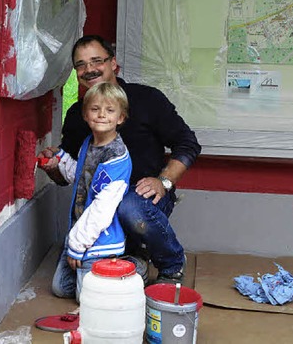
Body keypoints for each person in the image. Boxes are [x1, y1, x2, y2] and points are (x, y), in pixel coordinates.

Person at [39, 35, 201, 284]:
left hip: (142, 201)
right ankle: (132, 262)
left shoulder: (148, 99)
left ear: (114, 63)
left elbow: (188, 144)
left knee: (129, 206)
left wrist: (164, 182)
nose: (89, 69)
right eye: (80, 64)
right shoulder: (77, 115)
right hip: (97, 205)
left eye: (96, 61)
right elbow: (70, 174)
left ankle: (172, 263)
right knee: (63, 285)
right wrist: (54, 166)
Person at [48, 82, 132, 302]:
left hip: (100, 241)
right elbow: (83, 176)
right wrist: (61, 160)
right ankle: (97, 271)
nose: (102, 115)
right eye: (95, 109)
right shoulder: (89, 143)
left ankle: (131, 267)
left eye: (110, 110)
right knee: (60, 288)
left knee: (86, 300)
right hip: (79, 231)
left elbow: (101, 210)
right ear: (86, 115)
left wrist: (76, 247)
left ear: (121, 118)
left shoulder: (117, 157)